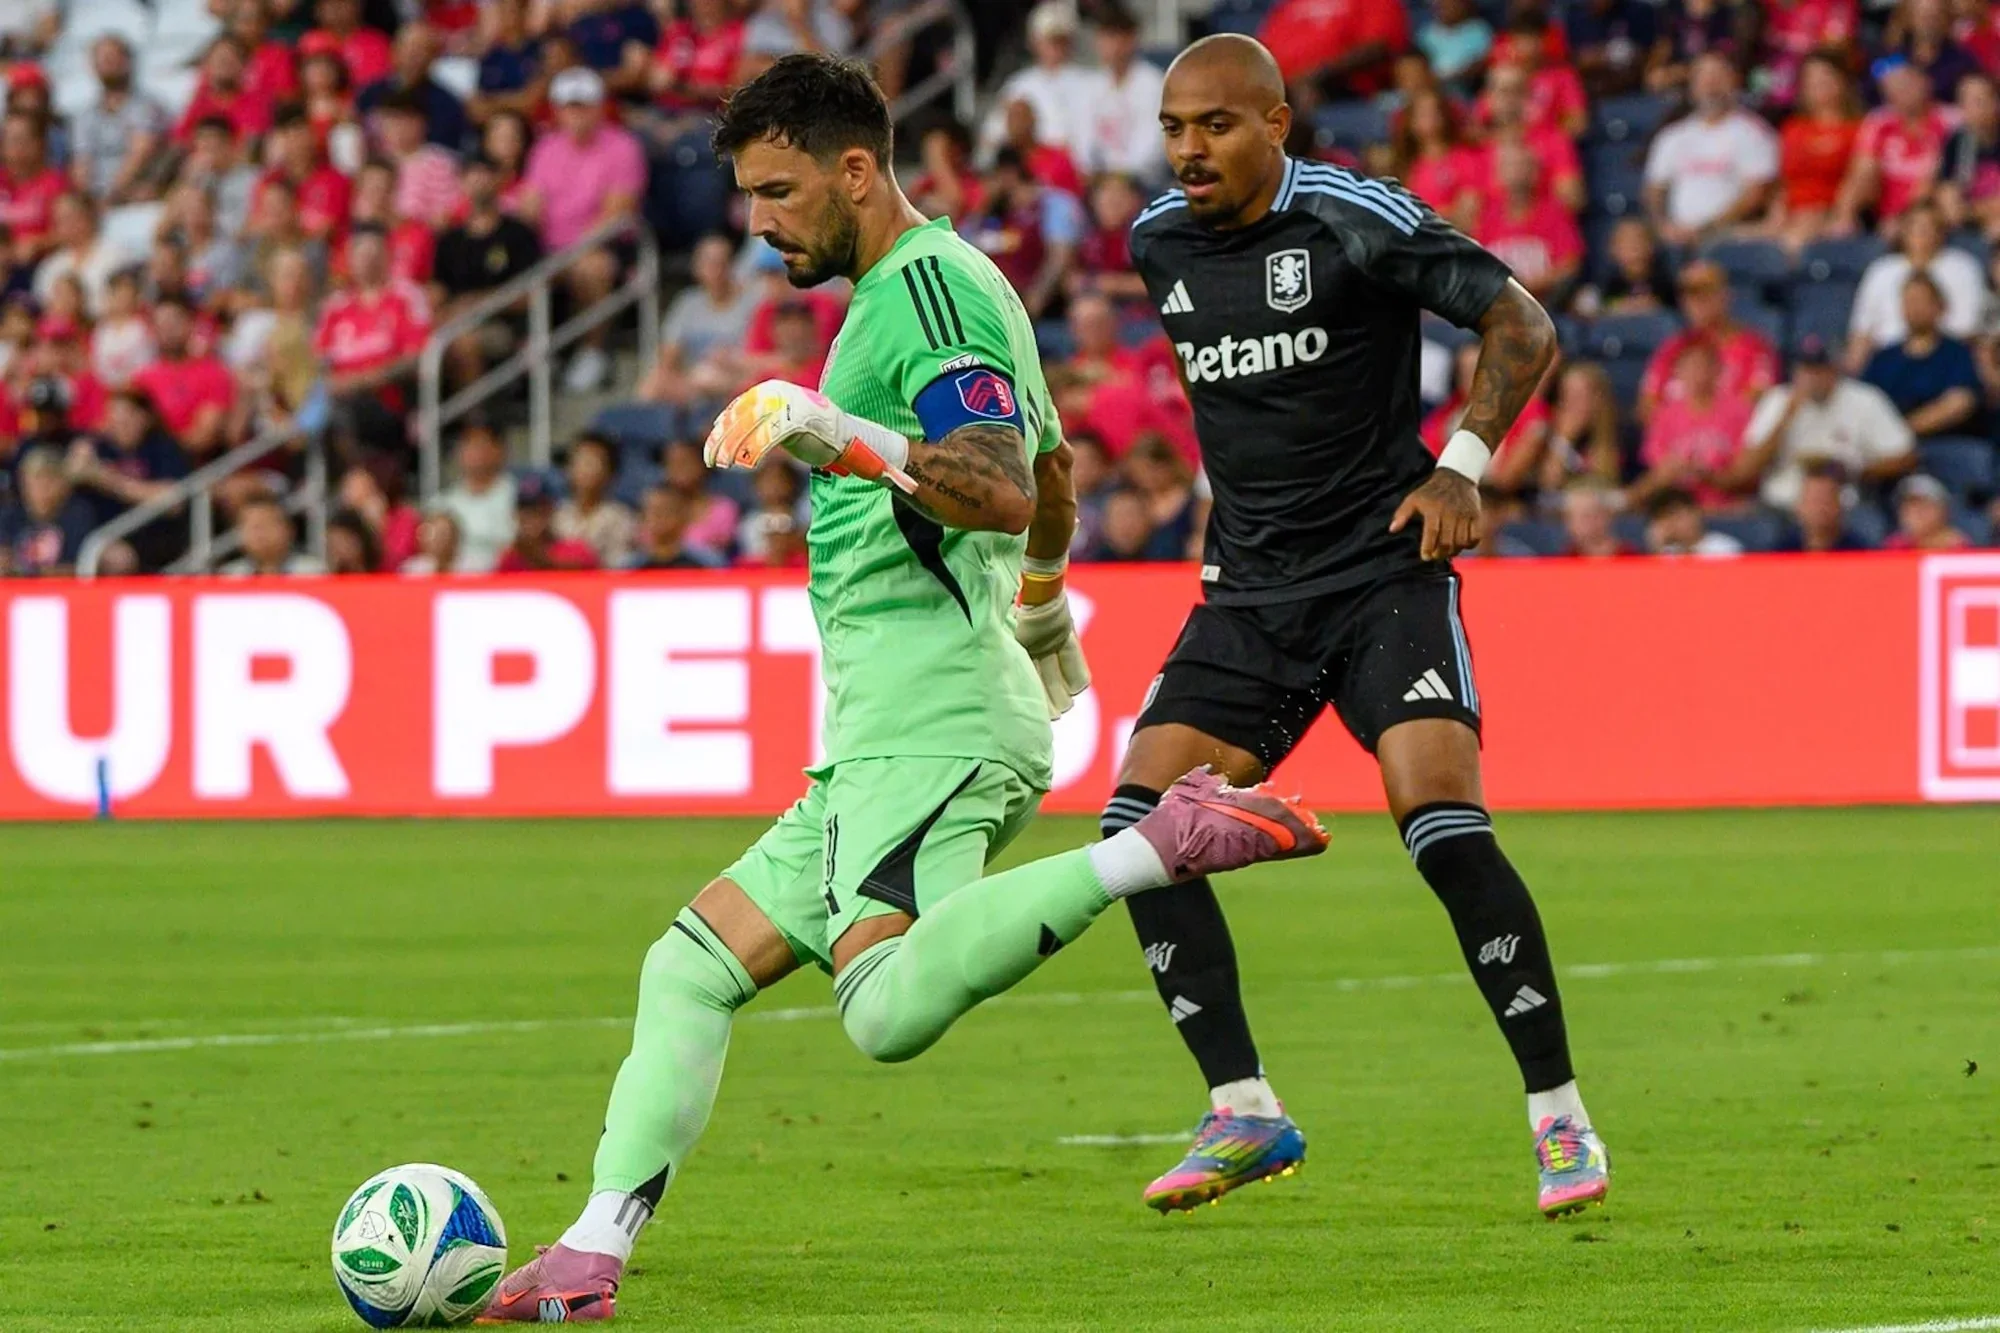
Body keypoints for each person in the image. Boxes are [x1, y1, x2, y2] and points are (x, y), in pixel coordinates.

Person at [482, 53, 1327, 1324]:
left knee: (879, 1010)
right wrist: (1040, 610)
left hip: (926, 721)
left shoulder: (925, 292)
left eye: (777, 189)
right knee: (688, 967)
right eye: (747, 194)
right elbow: (1046, 489)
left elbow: (985, 479)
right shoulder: (920, 290)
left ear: (857, 170)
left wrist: (836, 433)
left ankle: (1158, 845)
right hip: (893, 725)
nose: (758, 220)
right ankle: (591, 1252)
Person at [1119, 33, 1606, 1221]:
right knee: (1138, 832)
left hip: (1384, 575)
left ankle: (1558, 1119)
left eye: (1216, 125)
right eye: (1175, 127)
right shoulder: (1155, 243)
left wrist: (1462, 468)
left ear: (1276, 124)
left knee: (1438, 827)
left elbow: (1522, 326)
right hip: (1246, 598)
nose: (1189, 148)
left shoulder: (1352, 216)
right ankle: (1241, 1110)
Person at [519, 67, 646, 393]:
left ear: (600, 107)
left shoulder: (622, 146)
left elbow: (617, 211)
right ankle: (536, 354)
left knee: (592, 267)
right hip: (549, 248)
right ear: (558, 110)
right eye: (568, 107)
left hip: (603, 245)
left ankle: (593, 350)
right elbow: (531, 204)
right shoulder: (546, 148)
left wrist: (569, 254)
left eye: (583, 106)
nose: (576, 115)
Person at [1729, 335, 1915, 511]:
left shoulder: (1865, 399)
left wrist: (1857, 470)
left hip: (1843, 508)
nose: (1812, 377)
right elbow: (1745, 469)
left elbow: (1905, 457)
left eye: (1819, 369)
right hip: (1781, 506)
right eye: (1806, 369)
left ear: (1835, 369)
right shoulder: (1778, 400)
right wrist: (1786, 416)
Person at [1642, 53, 1778, 248]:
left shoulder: (1753, 133)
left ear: (1734, 81)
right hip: (1675, 238)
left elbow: (1755, 194)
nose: (1710, 84)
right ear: (1692, 85)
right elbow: (1654, 189)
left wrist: (1707, 229)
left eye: (1718, 75)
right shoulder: (1672, 136)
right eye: (1702, 76)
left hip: (1730, 237)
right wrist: (1662, 225)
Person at [430, 153, 542, 388]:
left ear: (499, 181)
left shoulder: (518, 233)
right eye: (471, 175)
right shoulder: (449, 240)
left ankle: (476, 420)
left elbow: (531, 295)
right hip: (453, 321)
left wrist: (478, 303)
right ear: (460, 183)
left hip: (503, 325)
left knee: (463, 342)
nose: (478, 182)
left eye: (485, 174)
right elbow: (439, 289)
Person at [635, 232, 760, 434]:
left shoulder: (752, 302)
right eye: (709, 262)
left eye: (722, 262)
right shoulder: (687, 303)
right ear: (697, 267)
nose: (716, 270)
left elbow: (756, 357)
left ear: (732, 265)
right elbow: (668, 357)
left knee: (710, 378)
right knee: (652, 384)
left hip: (736, 380)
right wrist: (680, 382)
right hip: (693, 383)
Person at [1638, 259, 1779, 423]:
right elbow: (1647, 406)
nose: (1696, 302)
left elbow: (1757, 400)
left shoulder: (1754, 347)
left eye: (1705, 292)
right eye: (1688, 295)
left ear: (1726, 295)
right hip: (1676, 442)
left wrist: (1705, 429)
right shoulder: (1672, 348)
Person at [1847, 201, 1987, 365]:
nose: (1922, 233)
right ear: (1903, 230)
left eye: (1930, 226)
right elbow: (1861, 332)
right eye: (1915, 226)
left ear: (1942, 232)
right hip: (1888, 360)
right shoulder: (1881, 270)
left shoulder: (1963, 267)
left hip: (1945, 359)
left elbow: (1968, 331)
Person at [1836, 55, 1952, 236]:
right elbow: (1861, 170)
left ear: (1924, 83)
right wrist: (1845, 211)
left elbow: (1937, 174)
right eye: (1892, 89)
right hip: (1882, 205)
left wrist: (1903, 217)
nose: (1899, 93)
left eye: (1906, 85)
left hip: (1931, 206)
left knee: (1935, 183)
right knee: (1864, 173)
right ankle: (1843, 225)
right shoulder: (1879, 120)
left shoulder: (1949, 120)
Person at [1630, 339, 1752, 510]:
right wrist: (1676, 469)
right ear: (1677, 372)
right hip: (1676, 504)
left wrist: (1708, 475)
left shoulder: (1740, 410)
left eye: (1702, 366)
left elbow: (1746, 474)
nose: (1696, 374)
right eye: (1689, 367)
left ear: (1717, 370)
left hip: (1724, 504)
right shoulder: (1665, 414)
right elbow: (1657, 469)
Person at [1861, 272, 1985, 438]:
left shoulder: (1957, 353)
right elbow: (1864, 400)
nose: (1914, 308)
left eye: (1920, 300)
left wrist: (1900, 432)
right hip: (1889, 451)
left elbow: (1959, 403)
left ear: (1939, 306)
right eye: (1908, 301)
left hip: (1945, 443)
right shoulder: (1883, 358)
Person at [975, 2, 1092, 168]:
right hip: (1027, 170)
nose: (1055, 48)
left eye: (1061, 40)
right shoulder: (1018, 85)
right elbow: (992, 137)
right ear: (1034, 41)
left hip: (1071, 169)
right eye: (1050, 40)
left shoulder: (1088, 82)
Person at [1768, 52, 1860, 253]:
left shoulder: (1857, 129)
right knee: (1727, 243)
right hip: (1791, 216)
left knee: (1793, 243)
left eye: (1825, 77)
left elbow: (1858, 180)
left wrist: (1832, 215)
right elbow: (1783, 184)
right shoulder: (1792, 129)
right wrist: (1777, 217)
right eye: (1811, 79)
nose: (1818, 84)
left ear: (1842, 81)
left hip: (1829, 216)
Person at [69, 35, 170, 205]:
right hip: (94, 198)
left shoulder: (146, 107)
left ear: (128, 62)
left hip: (130, 191)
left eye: (112, 58)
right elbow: (81, 163)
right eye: (103, 59)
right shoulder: (85, 115)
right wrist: (86, 200)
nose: (108, 64)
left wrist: (111, 195)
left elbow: (140, 154)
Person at [1075, 7, 1167, 181]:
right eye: (1103, 37)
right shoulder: (1090, 86)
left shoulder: (1153, 83)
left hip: (1140, 180)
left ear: (1131, 40)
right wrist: (1093, 171)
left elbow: (1153, 144)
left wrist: (1122, 176)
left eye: (1114, 37)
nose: (1109, 45)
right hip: (1098, 181)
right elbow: (1082, 140)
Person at [0, 445, 96, 575]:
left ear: (63, 484)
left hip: (66, 591)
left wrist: (31, 572)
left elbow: (82, 567)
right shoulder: (10, 515)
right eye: (35, 481)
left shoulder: (78, 514)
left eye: (48, 480)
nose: (41, 489)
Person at [437, 420, 516, 572]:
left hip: (502, 578)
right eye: (469, 444)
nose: (476, 452)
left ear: (500, 450)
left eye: (482, 445)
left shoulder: (516, 496)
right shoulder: (443, 503)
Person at [554, 432, 636, 565]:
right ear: (568, 469)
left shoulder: (620, 518)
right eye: (581, 461)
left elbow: (619, 567)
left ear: (610, 472)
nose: (587, 468)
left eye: (594, 462)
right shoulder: (556, 515)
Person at [1938, 72, 2000, 242]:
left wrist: (1971, 210)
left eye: (1980, 100)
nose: (1974, 108)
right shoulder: (1958, 141)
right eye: (1967, 101)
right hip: (1971, 230)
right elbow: (1951, 208)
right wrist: (1979, 212)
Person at [497, 470, 600, 571]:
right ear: (516, 515)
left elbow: (589, 570)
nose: (531, 518)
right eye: (525, 511)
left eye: (539, 511)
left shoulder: (575, 549)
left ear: (550, 511)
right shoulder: (510, 558)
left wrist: (538, 559)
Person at [1772, 459, 1874, 552]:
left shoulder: (1859, 552)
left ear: (1840, 506)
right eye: (1813, 501)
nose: (1820, 508)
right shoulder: (1782, 552)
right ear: (1798, 507)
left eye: (1826, 500)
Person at [219, 490, 327, 574]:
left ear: (289, 530)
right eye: (254, 527)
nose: (260, 534)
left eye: (267, 524)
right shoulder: (229, 576)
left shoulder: (313, 573)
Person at [624, 483, 721, 568]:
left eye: (666, 511)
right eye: (652, 511)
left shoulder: (708, 563)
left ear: (684, 516)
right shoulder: (629, 567)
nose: (658, 517)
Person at [1643, 484, 1743, 556]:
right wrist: (1656, 548)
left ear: (1695, 513)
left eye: (1677, 516)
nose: (1672, 524)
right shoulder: (1665, 552)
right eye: (1665, 519)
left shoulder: (1725, 546)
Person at [1884, 471, 1971, 548]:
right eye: (1907, 506)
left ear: (1943, 510)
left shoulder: (1959, 548)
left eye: (1922, 506)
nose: (1914, 513)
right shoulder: (1895, 545)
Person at [1558, 477, 1634, 556]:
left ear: (1605, 516)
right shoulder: (1567, 556)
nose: (1572, 524)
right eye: (1570, 517)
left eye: (1585, 516)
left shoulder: (1630, 557)